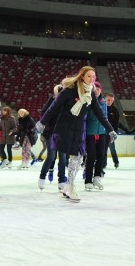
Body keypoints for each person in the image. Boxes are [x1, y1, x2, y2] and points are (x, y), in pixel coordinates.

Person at [34, 66, 117, 203]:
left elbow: (99, 114)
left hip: (80, 130)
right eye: (89, 76)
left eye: (94, 77)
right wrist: (42, 122)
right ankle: (62, 183)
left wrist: (110, 129)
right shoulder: (70, 90)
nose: (92, 79)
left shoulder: (90, 93)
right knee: (60, 157)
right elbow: (53, 107)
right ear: (82, 76)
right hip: (65, 128)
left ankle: (69, 186)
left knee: (77, 158)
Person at [37, 85, 65, 191]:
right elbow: (43, 112)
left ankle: (61, 180)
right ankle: (42, 177)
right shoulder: (52, 101)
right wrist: (53, 98)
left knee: (63, 158)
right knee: (51, 157)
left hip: (63, 133)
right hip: (50, 133)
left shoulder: (66, 103)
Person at [84, 82, 109, 190]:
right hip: (90, 132)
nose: (97, 91)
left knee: (101, 156)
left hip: (102, 132)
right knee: (91, 156)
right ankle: (88, 180)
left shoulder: (104, 102)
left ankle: (97, 177)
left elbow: (105, 117)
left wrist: (108, 130)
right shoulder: (88, 100)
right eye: (95, 89)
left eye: (99, 89)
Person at [104, 92, 122, 169]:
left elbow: (116, 124)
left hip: (110, 133)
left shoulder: (115, 110)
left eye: (111, 100)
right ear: (105, 99)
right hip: (102, 132)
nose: (110, 102)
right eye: (108, 100)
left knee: (112, 148)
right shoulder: (101, 108)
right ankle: (103, 163)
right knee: (103, 149)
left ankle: (116, 162)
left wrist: (114, 133)